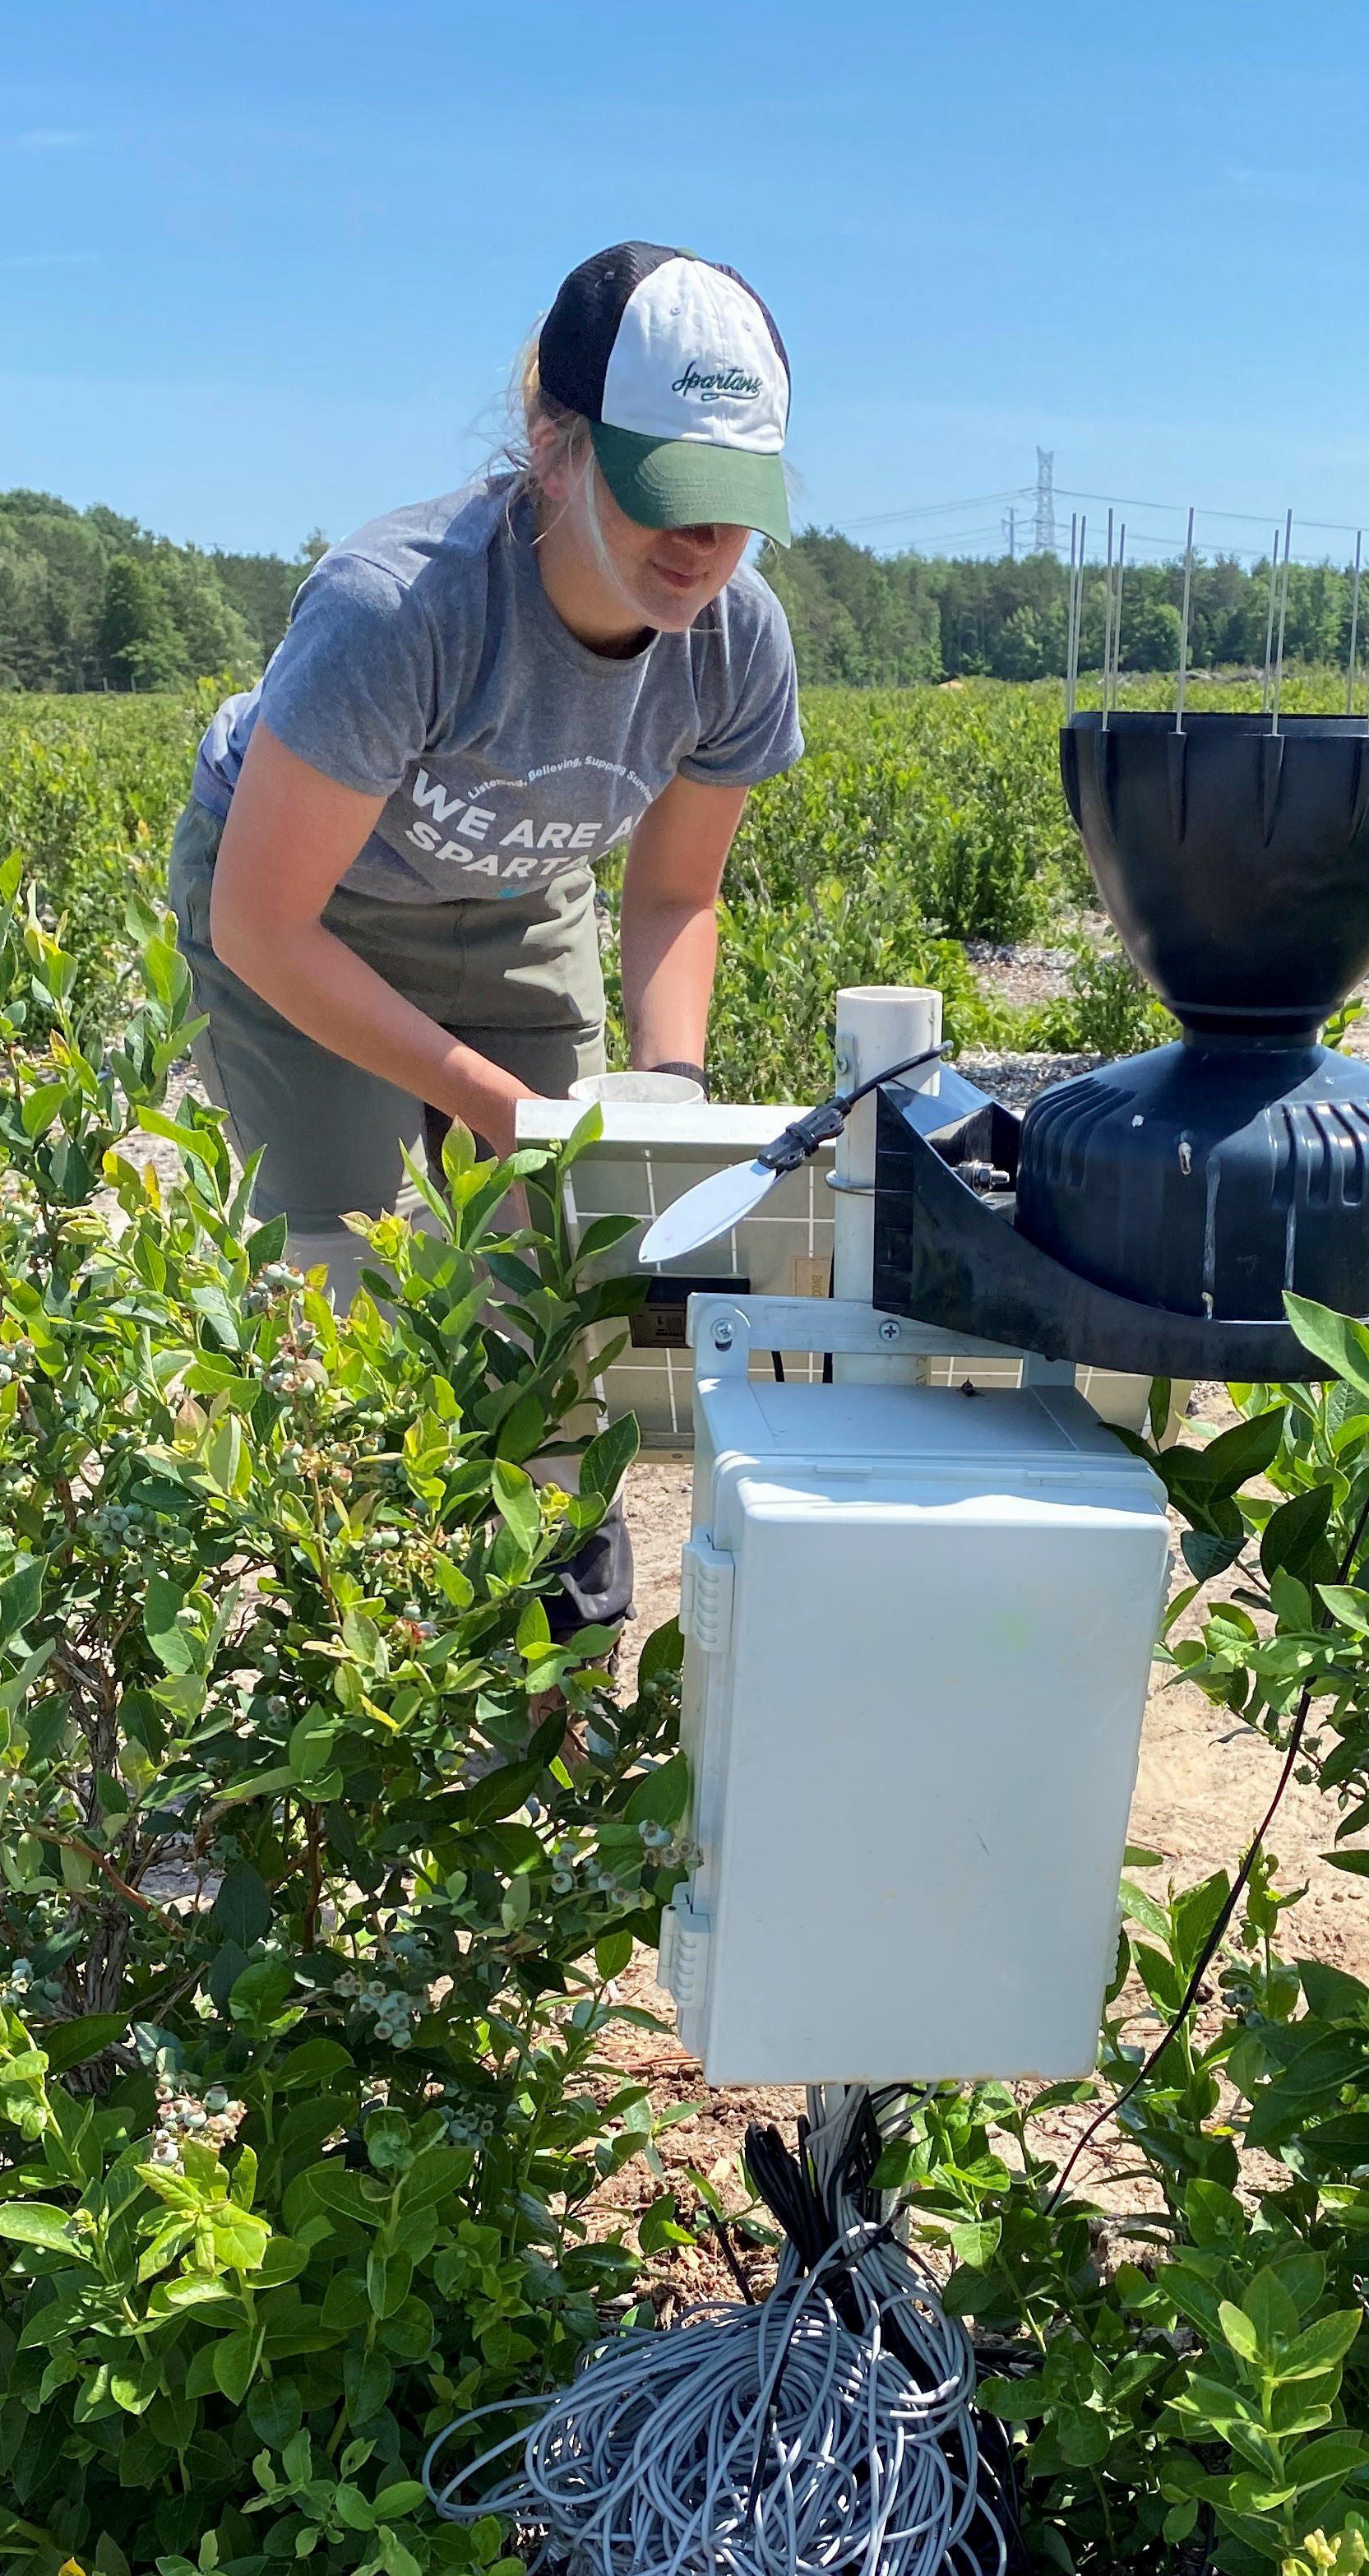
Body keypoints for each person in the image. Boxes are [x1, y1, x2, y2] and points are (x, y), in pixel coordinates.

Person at [165, 241, 804, 1627]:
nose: (701, 550)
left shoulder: (737, 644)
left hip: (518, 897)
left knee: (560, 1285)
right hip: (298, 903)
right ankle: (353, 1648)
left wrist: (668, 1102)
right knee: (351, 1278)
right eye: (667, 500)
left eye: (735, 508)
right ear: (555, 448)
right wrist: (480, 1097)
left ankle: (552, 1672)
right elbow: (263, 922)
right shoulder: (399, 610)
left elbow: (673, 894)